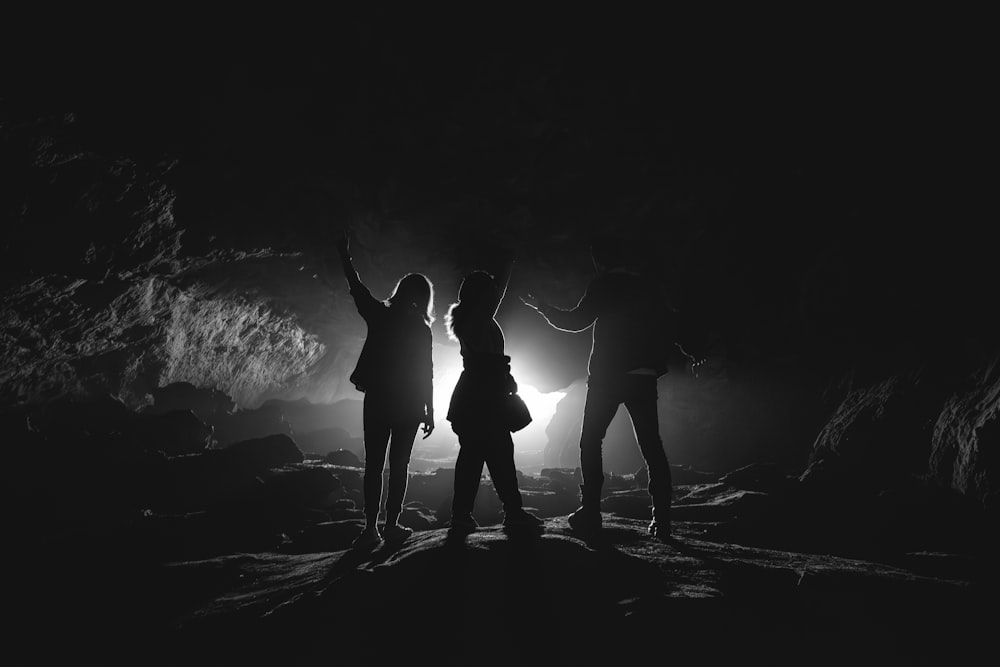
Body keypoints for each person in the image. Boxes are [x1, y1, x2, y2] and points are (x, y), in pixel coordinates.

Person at [522, 235, 700, 541]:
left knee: (590, 441)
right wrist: (693, 351)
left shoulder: (603, 285)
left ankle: (590, 510)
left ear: (599, 261)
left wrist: (541, 307)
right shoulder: (649, 286)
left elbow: (575, 321)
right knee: (652, 447)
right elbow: (670, 324)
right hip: (643, 376)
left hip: (608, 377)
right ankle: (662, 518)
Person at [337, 229, 435, 549]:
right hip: (408, 406)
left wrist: (344, 255)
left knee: (374, 465)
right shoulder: (422, 329)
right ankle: (392, 524)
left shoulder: (381, 315)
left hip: (378, 400)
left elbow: (358, 289)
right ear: (423, 299)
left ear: (400, 291)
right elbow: (426, 373)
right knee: (400, 465)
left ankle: (370, 528)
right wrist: (429, 411)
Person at [444, 254, 543, 534]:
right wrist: (506, 376)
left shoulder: (474, 317)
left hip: (476, 395)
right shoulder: (477, 320)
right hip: (482, 396)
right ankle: (509, 513)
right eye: (488, 289)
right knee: (495, 454)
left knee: (477, 456)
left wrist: (509, 264)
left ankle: (465, 515)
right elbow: (486, 361)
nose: (494, 294)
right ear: (480, 294)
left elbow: (498, 294)